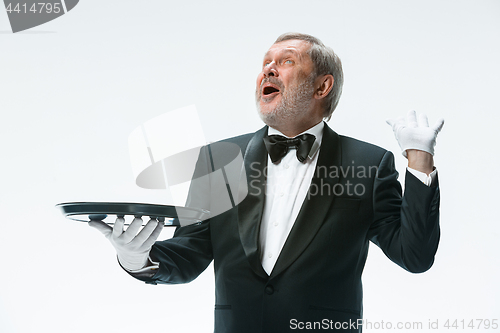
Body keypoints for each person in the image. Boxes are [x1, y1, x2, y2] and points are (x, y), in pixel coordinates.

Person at [89, 33, 444, 332]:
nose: (268, 70)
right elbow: (189, 254)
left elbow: (414, 255)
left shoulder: (369, 164)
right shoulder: (217, 160)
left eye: (286, 61)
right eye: (265, 63)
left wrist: (419, 158)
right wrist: (137, 258)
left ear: (322, 85)